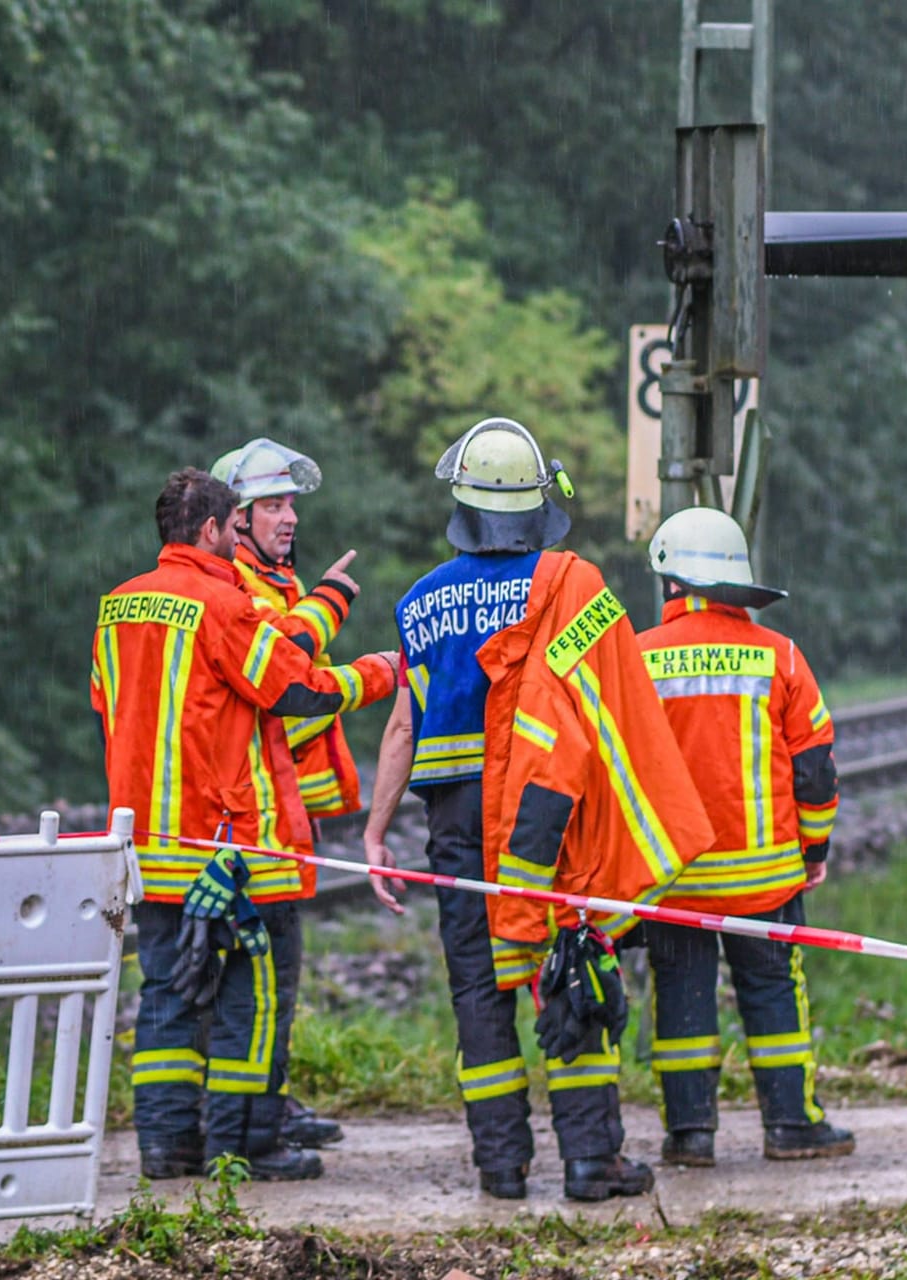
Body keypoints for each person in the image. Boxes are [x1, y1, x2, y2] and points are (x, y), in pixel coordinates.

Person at [360, 418, 712, 1202]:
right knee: (571, 968)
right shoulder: (572, 586)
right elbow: (613, 704)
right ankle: (591, 1161)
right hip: (547, 823)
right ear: (535, 506)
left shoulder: (419, 605)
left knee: (478, 991)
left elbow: (402, 724)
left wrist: (377, 829)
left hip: (453, 825)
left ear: (463, 505)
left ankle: (500, 1165)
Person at [93, 469, 400, 1182]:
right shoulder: (223, 606)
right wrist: (382, 672)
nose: (242, 540)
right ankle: (247, 1146)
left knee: (168, 997)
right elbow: (296, 688)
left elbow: (108, 704)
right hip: (235, 847)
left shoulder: (117, 608)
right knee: (253, 997)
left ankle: (167, 1148)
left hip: (149, 848)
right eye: (237, 527)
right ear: (210, 530)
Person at [637, 507, 854, 1166]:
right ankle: (791, 1124)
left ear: (671, 581)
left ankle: (690, 1136)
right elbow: (815, 772)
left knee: (679, 998)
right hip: (765, 879)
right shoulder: (781, 655)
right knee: (771, 994)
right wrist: (812, 851)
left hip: (674, 878)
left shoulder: (636, 659)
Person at [207, 438, 371, 1151]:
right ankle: (254, 1120)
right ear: (234, 520)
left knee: (270, 979)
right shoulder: (237, 589)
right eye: (271, 505)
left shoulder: (274, 584)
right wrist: (334, 603)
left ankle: (268, 1101)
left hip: (280, 807)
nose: (289, 518)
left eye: (291, 504)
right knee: (261, 978)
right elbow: (293, 673)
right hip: (252, 816)